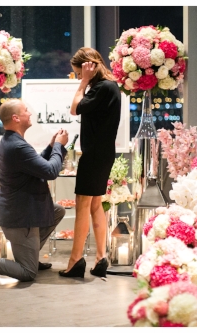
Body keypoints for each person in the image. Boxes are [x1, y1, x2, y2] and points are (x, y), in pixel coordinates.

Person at [0, 99, 69, 283]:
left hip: (19, 210)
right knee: (27, 273)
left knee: (57, 210)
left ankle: (31, 256)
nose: (30, 113)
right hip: (20, 216)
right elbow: (50, 171)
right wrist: (59, 146)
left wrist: (51, 147)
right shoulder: (17, 146)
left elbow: (37, 165)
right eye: (26, 110)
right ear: (16, 117)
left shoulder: (13, 141)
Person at [59, 47, 121, 278]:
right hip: (103, 154)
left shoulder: (101, 87)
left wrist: (82, 82)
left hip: (94, 155)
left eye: (78, 72)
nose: (77, 76)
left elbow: (75, 109)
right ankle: (101, 257)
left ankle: (75, 260)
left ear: (88, 66)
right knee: (96, 205)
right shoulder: (110, 86)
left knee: (83, 205)